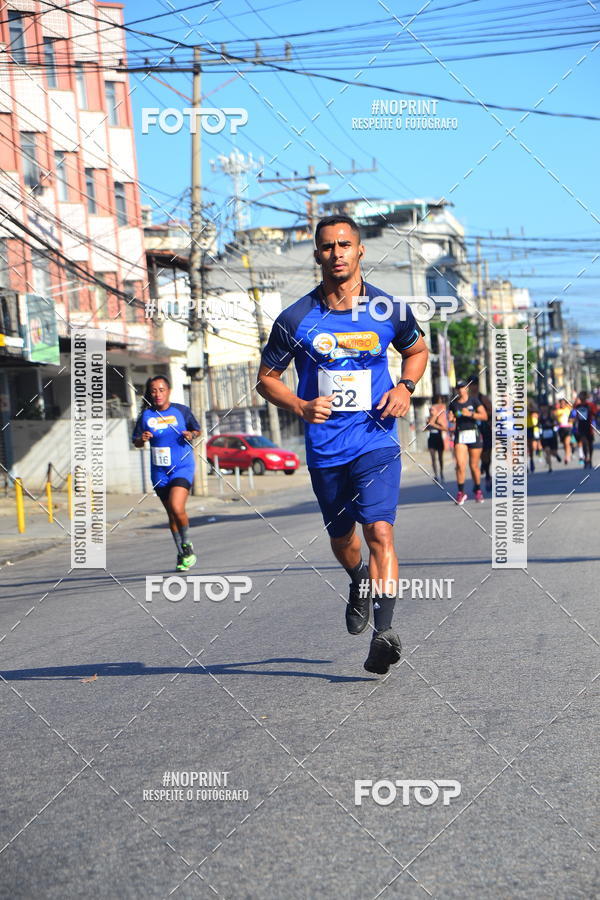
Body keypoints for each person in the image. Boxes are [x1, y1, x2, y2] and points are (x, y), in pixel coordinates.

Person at [257, 215, 429, 676]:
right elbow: (265, 380)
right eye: (328, 246)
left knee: (381, 533)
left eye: (344, 245)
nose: (337, 253)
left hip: (375, 439)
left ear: (360, 252)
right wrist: (299, 403)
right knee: (343, 540)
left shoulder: (387, 309)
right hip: (326, 447)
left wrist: (405, 388)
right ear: (317, 255)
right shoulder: (295, 318)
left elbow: (417, 350)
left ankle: (383, 635)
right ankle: (358, 582)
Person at [132, 375, 201, 571]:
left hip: (182, 466)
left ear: (168, 391)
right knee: (171, 514)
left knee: (176, 506)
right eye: (154, 390)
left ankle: (187, 545)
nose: (157, 394)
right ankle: (181, 554)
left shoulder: (181, 411)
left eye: (161, 389)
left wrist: (191, 434)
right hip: (159, 471)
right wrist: (142, 439)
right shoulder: (146, 416)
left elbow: (197, 430)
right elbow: (136, 441)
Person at [448, 379, 487, 505]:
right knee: (460, 464)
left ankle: (477, 489)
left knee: (474, 465)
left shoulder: (474, 400)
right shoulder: (453, 403)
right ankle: (461, 492)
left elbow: (484, 416)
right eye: (458, 388)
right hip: (461, 434)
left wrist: (470, 414)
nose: (460, 390)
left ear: (467, 388)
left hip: (473, 434)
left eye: (462, 387)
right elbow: (451, 417)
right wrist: (452, 418)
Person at [468, 377, 493, 492]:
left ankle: (487, 473)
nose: (473, 387)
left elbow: (491, 412)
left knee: (486, 454)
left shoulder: (483, 398)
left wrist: (478, 414)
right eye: (471, 385)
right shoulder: (465, 400)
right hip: (470, 430)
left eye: (475, 384)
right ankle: (476, 482)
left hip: (484, 430)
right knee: (473, 458)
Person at [572, 390, 597, 469]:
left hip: (589, 427)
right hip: (581, 427)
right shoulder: (578, 406)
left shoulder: (590, 405)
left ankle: (590, 459)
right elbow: (575, 415)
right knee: (584, 443)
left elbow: (595, 414)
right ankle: (586, 458)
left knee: (590, 444)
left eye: (582, 397)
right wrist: (575, 424)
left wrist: (594, 425)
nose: (581, 398)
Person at [425, 394, 447, 481]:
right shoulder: (428, 419)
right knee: (433, 458)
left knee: (440, 458)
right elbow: (424, 429)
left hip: (438, 438)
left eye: (433, 410)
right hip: (431, 439)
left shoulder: (438, 419)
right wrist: (428, 425)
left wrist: (435, 425)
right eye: (430, 410)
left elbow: (444, 428)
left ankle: (441, 472)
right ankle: (436, 475)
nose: (431, 412)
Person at [538, 402, 561, 472]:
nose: (543, 408)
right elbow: (538, 424)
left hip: (551, 435)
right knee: (547, 451)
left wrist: (552, 424)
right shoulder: (540, 416)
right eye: (542, 407)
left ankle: (556, 455)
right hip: (544, 435)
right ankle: (550, 467)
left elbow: (558, 422)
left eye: (544, 407)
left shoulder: (551, 414)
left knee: (553, 451)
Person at [554, 397, 572, 464]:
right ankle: (567, 454)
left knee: (567, 443)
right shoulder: (557, 411)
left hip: (568, 428)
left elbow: (572, 405)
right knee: (564, 444)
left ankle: (567, 457)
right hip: (561, 428)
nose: (562, 404)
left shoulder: (568, 409)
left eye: (563, 403)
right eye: (561, 403)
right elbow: (555, 418)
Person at [526, 400, 541, 473]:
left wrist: (531, 411)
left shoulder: (529, 402)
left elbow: (536, 412)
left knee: (531, 447)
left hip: (530, 427)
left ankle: (531, 460)